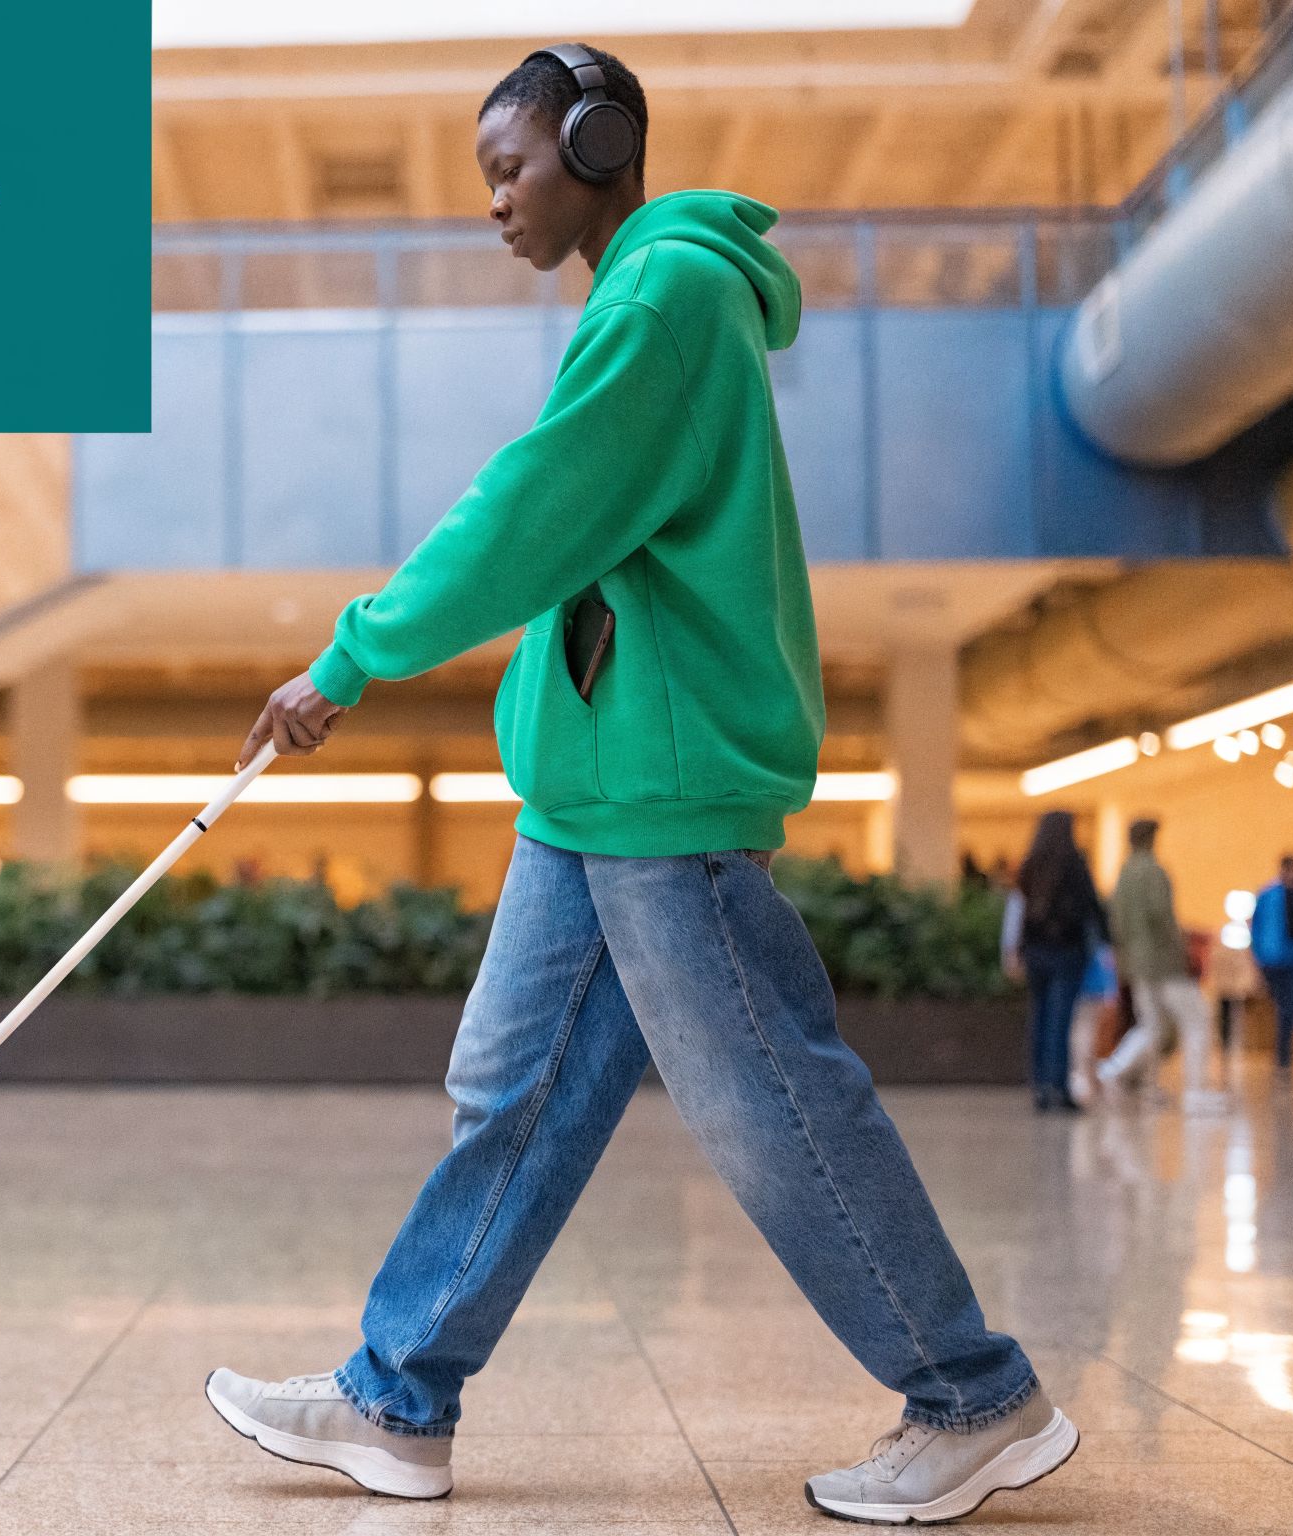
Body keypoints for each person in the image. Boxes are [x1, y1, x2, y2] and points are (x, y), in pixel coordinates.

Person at [207, 44, 1069, 1525]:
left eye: (512, 167)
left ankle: (970, 1392)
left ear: (599, 146)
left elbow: (534, 506)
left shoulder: (667, 299)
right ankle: (397, 1400)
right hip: (591, 793)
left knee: (768, 1105)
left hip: (660, 793)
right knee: (511, 1094)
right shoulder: (639, 295)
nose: (496, 201)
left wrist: (351, 658)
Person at [1102, 817, 1221, 1109]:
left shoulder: (1124, 873)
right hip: (1163, 962)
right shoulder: (1153, 872)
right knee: (1198, 1020)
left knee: (1151, 1025)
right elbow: (1162, 917)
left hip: (1137, 962)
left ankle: (1112, 1070)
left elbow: (1117, 921)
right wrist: (1182, 952)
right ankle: (1197, 1091)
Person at [1007, 812, 1106, 1113]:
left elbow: (1018, 910)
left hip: (1036, 954)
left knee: (1040, 1018)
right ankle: (1058, 1087)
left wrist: (1014, 950)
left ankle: (1040, 1087)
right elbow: (1092, 908)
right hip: (1067, 953)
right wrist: (1107, 943)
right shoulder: (1074, 865)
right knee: (1060, 1021)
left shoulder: (1030, 866)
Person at [1251, 855, 1293, 1079]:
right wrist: (1258, 959)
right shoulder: (1268, 895)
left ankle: (1286, 1058)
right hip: (1275, 961)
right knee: (1285, 1010)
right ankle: (1284, 1060)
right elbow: (1257, 928)